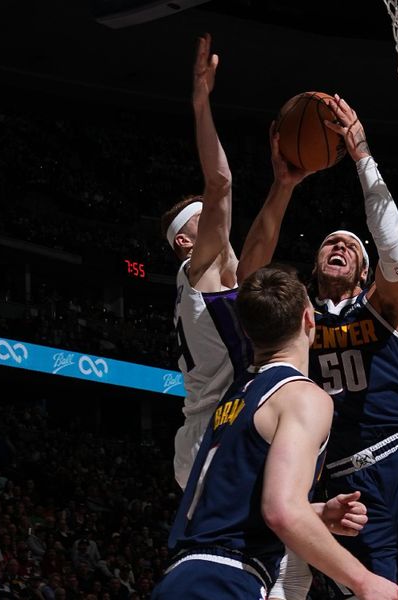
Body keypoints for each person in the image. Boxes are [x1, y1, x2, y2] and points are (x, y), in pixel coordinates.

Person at [237, 96, 398, 598]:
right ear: (315, 266)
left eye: (351, 246)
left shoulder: (385, 305)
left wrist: (361, 157)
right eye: (330, 243)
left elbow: (395, 251)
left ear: (364, 272)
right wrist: (283, 185)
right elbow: (247, 281)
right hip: (343, 487)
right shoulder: (297, 319)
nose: (339, 246)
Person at [151, 266, 398, 600]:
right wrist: (364, 581)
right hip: (225, 578)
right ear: (309, 319)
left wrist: (318, 513)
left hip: (181, 576)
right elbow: (282, 511)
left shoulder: (236, 396)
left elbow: (228, 506)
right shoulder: (302, 396)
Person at [159, 33, 252, 489]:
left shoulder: (210, 275)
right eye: (204, 219)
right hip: (214, 435)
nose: (217, 221)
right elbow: (220, 183)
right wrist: (201, 104)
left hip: (212, 431)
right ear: (183, 240)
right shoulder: (198, 268)